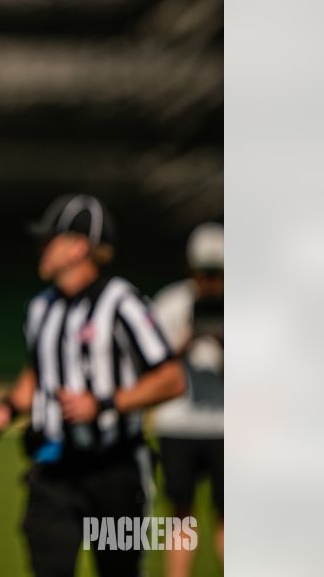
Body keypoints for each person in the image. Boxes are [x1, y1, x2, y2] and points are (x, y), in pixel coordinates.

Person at [0, 194, 188, 577]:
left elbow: (171, 378)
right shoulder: (41, 307)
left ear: (78, 247)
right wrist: (7, 408)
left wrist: (104, 403)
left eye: (50, 238)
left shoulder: (121, 302)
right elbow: (38, 373)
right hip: (53, 471)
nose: (41, 247)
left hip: (114, 469)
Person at [152, 222, 224, 577]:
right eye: (205, 271)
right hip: (178, 424)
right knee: (181, 513)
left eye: (219, 271)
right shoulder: (170, 302)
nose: (211, 280)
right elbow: (151, 365)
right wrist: (184, 340)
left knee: (229, 515)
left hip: (226, 426)